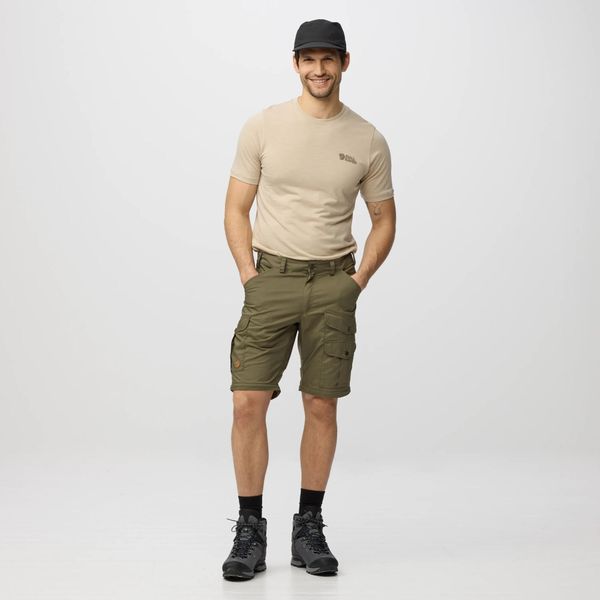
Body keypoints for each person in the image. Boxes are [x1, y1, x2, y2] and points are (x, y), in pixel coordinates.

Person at [222, 18, 396, 580]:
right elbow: (235, 208)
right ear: (296, 64)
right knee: (248, 402)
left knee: (321, 404)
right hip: (270, 277)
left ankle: (309, 527)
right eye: (309, 59)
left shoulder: (367, 139)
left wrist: (356, 281)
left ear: (345, 63)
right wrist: (249, 275)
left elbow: (384, 219)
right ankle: (250, 530)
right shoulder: (264, 126)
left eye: (328, 59)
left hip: (333, 284)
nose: (318, 69)